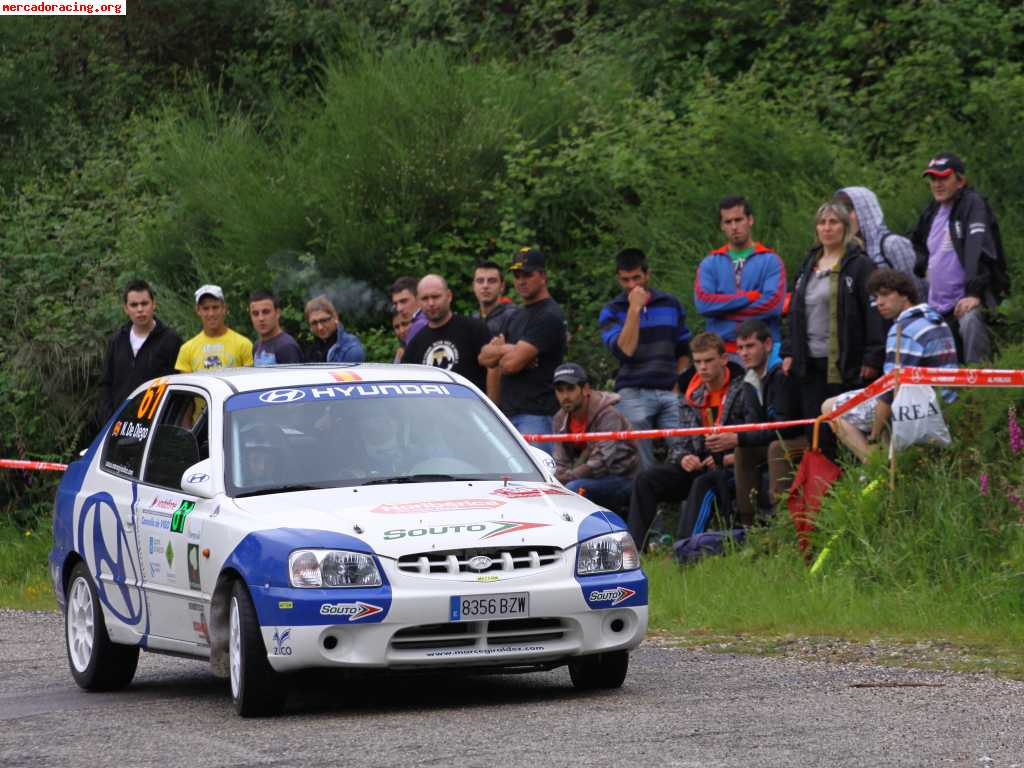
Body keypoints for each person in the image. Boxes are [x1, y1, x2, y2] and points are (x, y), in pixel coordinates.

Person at [824, 269, 957, 463]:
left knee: (829, 407)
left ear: (905, 294)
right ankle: (888, 461)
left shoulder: (902, 329)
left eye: (885, 295)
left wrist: (874, 435)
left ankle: (874, 464)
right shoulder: (936, 319)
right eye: (876, 297)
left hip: (918, 408)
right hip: (945, 401)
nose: (879, 302)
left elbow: (890, 391)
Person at [627, 333, 747, 548]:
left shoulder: (744, 390)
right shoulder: (690, 395)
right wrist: (684, 457)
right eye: (698, 362)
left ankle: (684, 548)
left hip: (732, 466)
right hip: (698, 464)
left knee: (704, 483)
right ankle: (635, 550)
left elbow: (754, 437)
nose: (703, 367)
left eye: (709, 360)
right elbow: (680, 440)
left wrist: (730, 457)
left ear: (724, 359)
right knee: (646, 479)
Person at [782, 201, 886, 425]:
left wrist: (873, 356)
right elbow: (794, 311)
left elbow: (874, 313)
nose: (827, 228)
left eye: (833, 222)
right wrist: (789, 351)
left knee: (847, 426)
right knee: (817, 428)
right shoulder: (808, 263)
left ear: (845, 227)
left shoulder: (860, 265)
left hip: (848, 362)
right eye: (822, 223)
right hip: (809, 363)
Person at [909, 153, 1010, 364]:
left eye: (944, 178)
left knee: (971, 323)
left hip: (967, 301)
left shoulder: (973, 204)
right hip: (937, 305)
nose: (937, 184)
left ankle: (980, 390)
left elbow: (981, 250)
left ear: (960, 180)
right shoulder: (933, 209)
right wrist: (923, 266)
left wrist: (975, 293)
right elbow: (916, 241)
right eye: (933, 179)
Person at [598, 248, 692, 471]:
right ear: (618, 279)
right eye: (625, 280)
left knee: (688, 448)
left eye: (636, 278)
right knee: (640, 458)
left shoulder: (671, 303)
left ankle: (688, 504)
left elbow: (683, 350)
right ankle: (646, 501)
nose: (632, 285)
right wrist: (634, 310)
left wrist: (678, 384)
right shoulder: (611, 311)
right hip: (633, 389)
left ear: (647, 275)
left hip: (670, 388)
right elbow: (625, 350)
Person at [478, 248, 566, 454]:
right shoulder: (515, 315)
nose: (521, 281)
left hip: (537, 414)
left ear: (543, 276)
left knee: (537, 482)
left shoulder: (549, 315)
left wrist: (504, 353)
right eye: (517, 275)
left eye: (527, 274)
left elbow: (510, 364)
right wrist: (512, 349)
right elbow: (484, 357)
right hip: (509, 414)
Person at [724, 320, 806, 526]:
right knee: (743, 450)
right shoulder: (750, 378)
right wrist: (735, 439)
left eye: (750, 346)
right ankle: (748, 526)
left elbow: (785, 427)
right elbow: (754, 424)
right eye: (740, 348)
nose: (743, 353)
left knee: (777, 448)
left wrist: (739, 436)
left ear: (768, 344)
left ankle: (784, 522)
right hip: (776, 436)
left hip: (805, 436)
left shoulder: (783, 372)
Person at [694, 195, 786, 361]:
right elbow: (704, 304)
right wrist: (748, 297)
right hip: (723, 352)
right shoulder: (710, 263)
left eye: (739, 220)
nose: (734, 227)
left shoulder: (770, 260)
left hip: (764, 351)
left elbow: (772, 306)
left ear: (750, 220)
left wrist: (722, 311)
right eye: (728, 222)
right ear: (722, 226)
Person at [551, 363, 639, 513]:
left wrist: (567, 478)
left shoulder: (608, 414)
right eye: (560, 391)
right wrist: (557, 481)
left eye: (570, 389)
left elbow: (602, 461)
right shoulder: (560, 418)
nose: (565, 396)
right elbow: (560, 460)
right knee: (554, 492)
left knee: (573, 489)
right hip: (586, 477)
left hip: (623, 478)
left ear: (585, 389)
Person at [100, 280, 182, 420]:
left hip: (157, 425)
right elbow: (106, 384)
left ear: (153, 304)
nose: (139, 309)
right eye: (134, 305)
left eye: (144, 303)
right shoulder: (116, 341)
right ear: (126, 308)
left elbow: (178, 385)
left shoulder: (170, 340)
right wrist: (109, 419)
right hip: (121, 426)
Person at [833, 187, 925, 297]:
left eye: (848, 209)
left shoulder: (893, 244)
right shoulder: (851, 253)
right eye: (840, 212)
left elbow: (919, 290)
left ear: (865, 210)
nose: (844, 217)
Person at [404, 274, 491, 391]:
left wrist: (491, 404)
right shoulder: (415, 344)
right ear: (418, 302)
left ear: (449, 296)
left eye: (436, 297)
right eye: (425, 298)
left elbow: (493, 369)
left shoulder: (474, 328)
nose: (431, 303)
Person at [175, 284, 254, 372]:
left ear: (224, 308)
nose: (211, 314)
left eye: (215, 307)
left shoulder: (244, 345)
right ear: (198, 310)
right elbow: (187, 385)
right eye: (206, 308)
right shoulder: (187, 350)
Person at [472, 260, 520, 404]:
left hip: (507, 400)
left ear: (502, 286)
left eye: (491, 281)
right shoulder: (473, 320)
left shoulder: (513, 316)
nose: (485, 285)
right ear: (473, 286)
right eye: (480, 281)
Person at [303, 295, 364, 363]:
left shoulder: (351, 349)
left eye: (324, 320)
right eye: (314, 323)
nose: (320, 327)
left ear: (335, 317)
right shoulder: (312, 348)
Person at [249, 289, 302, 366]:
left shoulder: (287, 346)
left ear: (277, 313)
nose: (261, 318)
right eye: (255, 314)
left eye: (266, 312)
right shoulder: (256, 346)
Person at [390, 275, 426, 362]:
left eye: (403, 301)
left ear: (418, 298)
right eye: (396, 304)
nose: (399, 308)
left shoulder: (419, 325)